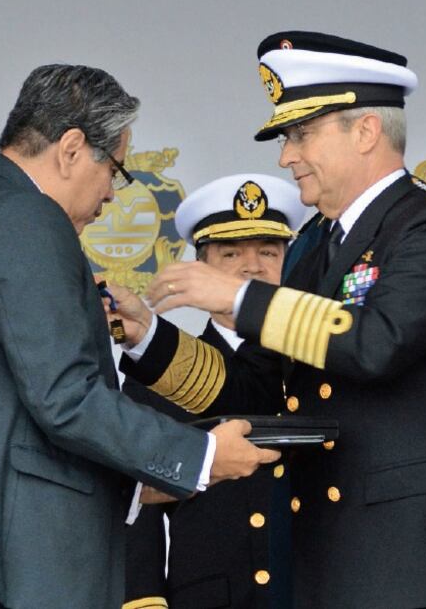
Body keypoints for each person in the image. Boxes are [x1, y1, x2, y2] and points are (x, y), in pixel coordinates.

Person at [0, 64, 279, 609]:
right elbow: (65, 398)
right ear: (72, 148)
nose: (113, 196)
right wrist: (200, 456)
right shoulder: (28, 221)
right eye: (115, 171)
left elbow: (5, 403)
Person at [114, 31, 426, 608]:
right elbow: (253, 386)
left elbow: (376, 343)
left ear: (366, 131)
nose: (285, 156)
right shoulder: (310, 248)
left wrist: (238, 295)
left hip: (422, 568)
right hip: (328, 560)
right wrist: (148, 338)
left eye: (301, 134)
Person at [120, 173, 305, 609]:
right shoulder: (160, 372)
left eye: (268, 251)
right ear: (199, 270)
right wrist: (144, 601)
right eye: (230, 253)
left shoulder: (318, 368)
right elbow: (137, 511)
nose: (252, 266)